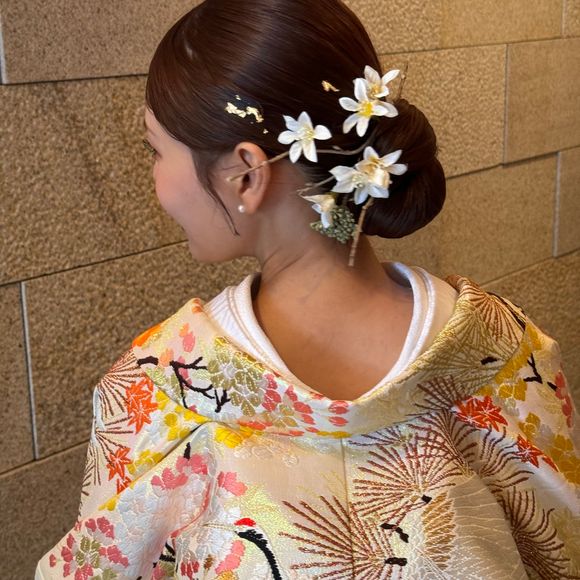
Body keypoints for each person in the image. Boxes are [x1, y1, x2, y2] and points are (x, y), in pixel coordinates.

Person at [36, 0, 580, 578]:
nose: (155, 179)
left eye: (155, 150)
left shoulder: (157, 394)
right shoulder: (506, 354)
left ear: (246, 174)